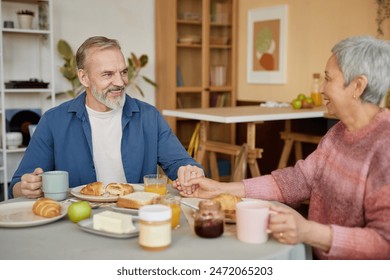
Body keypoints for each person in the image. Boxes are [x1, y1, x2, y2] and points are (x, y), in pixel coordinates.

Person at [175, 35, 390, 260]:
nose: (322, 89)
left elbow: (385, 244)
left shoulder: (384, 146)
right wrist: (220, 188)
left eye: (328, 79)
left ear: (357, 86)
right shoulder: (337, 133)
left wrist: (309, 231)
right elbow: (297, 181)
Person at [10, 36, 204, 199]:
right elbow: (17, 185)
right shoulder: (53, 121)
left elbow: (180, 162)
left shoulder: (149, 116)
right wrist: (27, 187)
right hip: (76, 219)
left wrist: (189, 171)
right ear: (84, 77)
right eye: (108, 74)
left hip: (134, 214)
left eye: (123, 72)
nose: (120, 82)